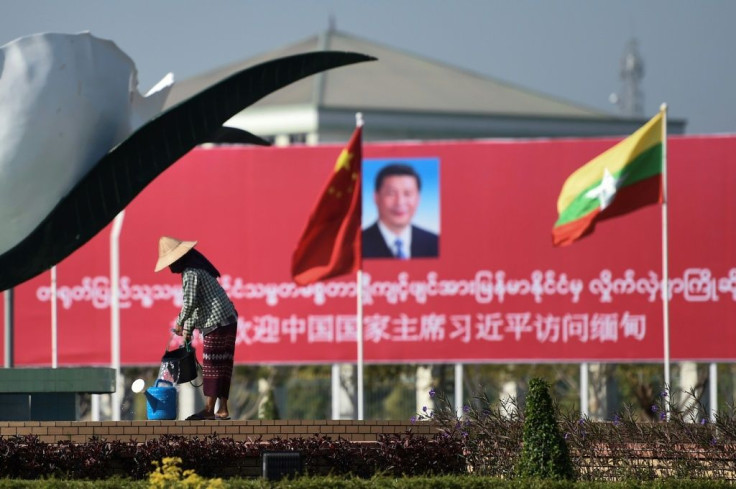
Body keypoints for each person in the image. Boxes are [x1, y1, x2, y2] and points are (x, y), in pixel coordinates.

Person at [155, 236, 238, 420]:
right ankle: (222, 409)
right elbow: (198, 304)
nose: (170, 268)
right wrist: (187, 330)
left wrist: (179, 322)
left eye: (171, 263)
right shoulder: (197, 268)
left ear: (178, 259)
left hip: (216, 322)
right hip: (229, 319)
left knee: (212, 365)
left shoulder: (191, 272)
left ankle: (209, 410)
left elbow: (190, 303)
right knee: (223, 365)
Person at [362, 163, 439, 258]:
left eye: (407, 194)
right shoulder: (357, 244)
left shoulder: (435, 243)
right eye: (391, 193)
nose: (400, 202)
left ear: (418, 198)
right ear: (376, 197)